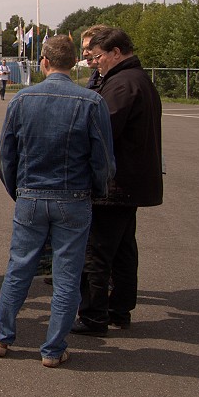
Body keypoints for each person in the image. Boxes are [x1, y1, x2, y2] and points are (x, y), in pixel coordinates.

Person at [0, 36, 115, 367]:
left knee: (19, 267)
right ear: (74, 63)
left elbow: (5, 158)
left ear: (43, 62)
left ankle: (1, 336)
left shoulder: (21, 100)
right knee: (67, 274)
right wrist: (95, 191)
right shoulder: (92, 102)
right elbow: (104, 162)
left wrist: (20, 191)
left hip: (31, 196)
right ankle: (53, 349)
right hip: (74, 197)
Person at [73, 26, 163, 336]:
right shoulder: (136, 79)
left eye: (97, 56)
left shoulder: (122, 84)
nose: (94, 62)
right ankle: (118, 310)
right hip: (130, 180)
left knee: (97, 251)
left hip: (114, 183)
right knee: (123, 248)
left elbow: (100, 129)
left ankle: (94, 316)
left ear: (116, 53)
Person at [80, 24, 107, 90]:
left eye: (89, 48)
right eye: (83, 49)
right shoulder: (96, 77)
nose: (84, 54)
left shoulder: (120, 81)